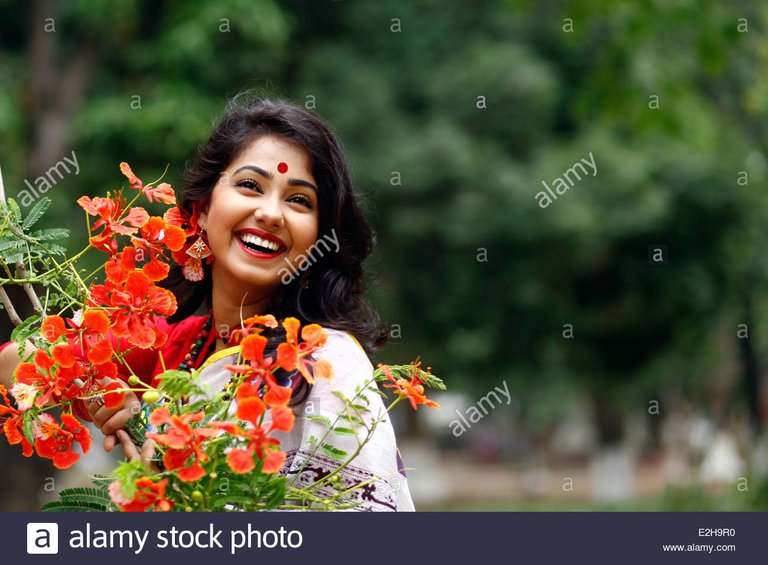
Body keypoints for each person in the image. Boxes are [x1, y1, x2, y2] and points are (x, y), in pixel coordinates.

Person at [0, 95, 414, 511]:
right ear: (200, 211)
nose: (271, 213)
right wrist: (98, 389)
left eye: (299, 200)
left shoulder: (326, 363)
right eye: (250, 185)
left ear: (317, 241)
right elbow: (13, 363)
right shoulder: (177, 350)